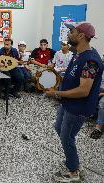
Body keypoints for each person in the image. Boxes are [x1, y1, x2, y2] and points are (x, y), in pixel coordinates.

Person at [45, 22, 103, 182]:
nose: (68, 34)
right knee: (59, 128)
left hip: (78, 107)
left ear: (81, 36)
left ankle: (73, 171)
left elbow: (84, 90)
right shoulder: (78, 53)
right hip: (67, 103)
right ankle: (73, 160)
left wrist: (57, 92)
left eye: (72, 31)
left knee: (67, 137)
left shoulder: (91, 61)